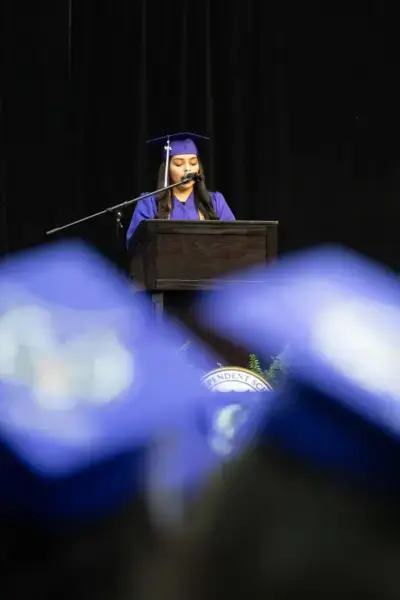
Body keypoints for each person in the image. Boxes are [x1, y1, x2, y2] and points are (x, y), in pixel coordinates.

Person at [126, 133, 235, 245]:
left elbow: (234, 239)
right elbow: (136, 244)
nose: (188, 169)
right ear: (167, 169)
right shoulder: (149, 202)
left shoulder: (215, 201)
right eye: (179, 164)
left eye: (193, 163)